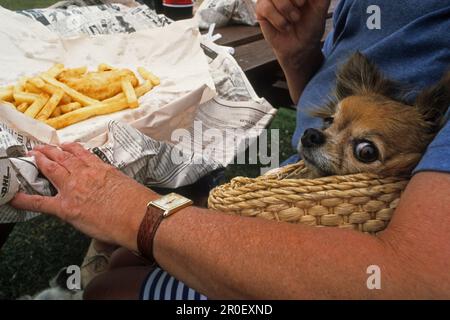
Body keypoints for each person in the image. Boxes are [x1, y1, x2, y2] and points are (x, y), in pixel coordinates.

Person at [9, 0, 450, 299]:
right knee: (125, 257)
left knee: (111, 291)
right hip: (291, 196)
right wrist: (298, 58)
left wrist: (133, 212)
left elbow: (413, 281)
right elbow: (313, 129)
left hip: (339, 245)